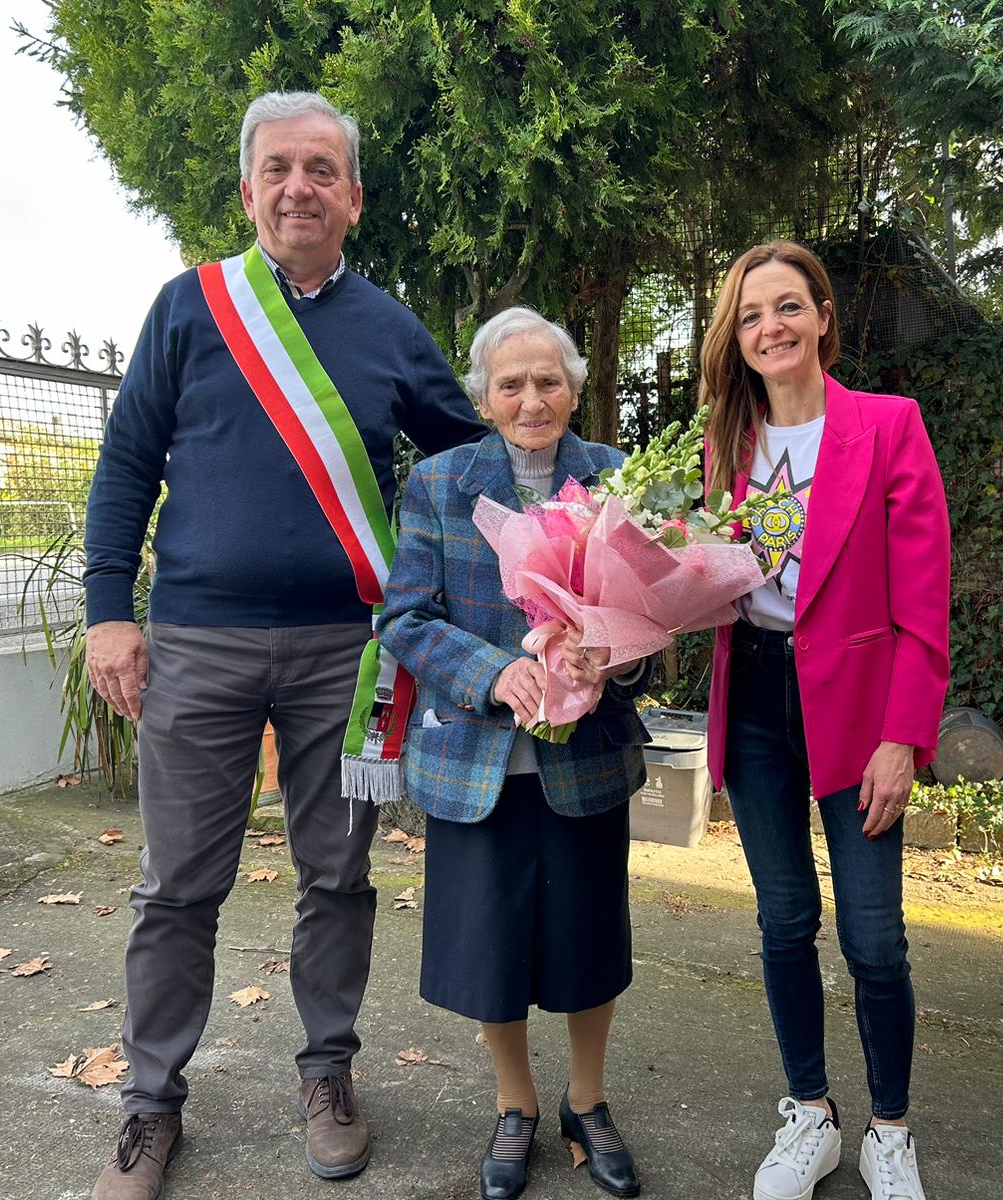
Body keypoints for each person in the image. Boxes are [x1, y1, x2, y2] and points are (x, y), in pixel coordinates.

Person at [81, 91, 486, 1199]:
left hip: (347, 658)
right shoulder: (189, 308)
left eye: (320, 170)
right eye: (278, 169)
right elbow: (126, 466)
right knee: (176, 888)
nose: (298, 188)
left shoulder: (391, 329)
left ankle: (327, 1073)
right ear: (248, 189)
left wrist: (568, 532)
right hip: (196, 646)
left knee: (338, 878)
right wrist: (109, 611)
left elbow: (471, 466)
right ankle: (150, 1104)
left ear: (353, 197)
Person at [378, 307, 654, 1200]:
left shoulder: (617, 478)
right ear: (484, 397)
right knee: (489, 948)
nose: (531, 399)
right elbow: (405, 616)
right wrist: (493, 672)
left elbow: (657, 613)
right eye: (511, 384)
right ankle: (515, 1104)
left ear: (573, 389)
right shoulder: (439, 482)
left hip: (586, 758)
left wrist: (617, 653)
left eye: (548, 381)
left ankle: (588, 1101)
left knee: (588, 940)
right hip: (476, 758)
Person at [699, 241, 951, 1200]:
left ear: (822, 317)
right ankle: (811, 1114)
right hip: (758, 699)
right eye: (752, 315)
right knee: (784, 920)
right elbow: (699, 579)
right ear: (737, 337)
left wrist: (902, 737)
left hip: (858, 708)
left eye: (788, 307)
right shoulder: (724, 443)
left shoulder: (888, 426)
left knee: (875, 938)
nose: (772, 327)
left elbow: (923, 602)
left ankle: (890, 1130)